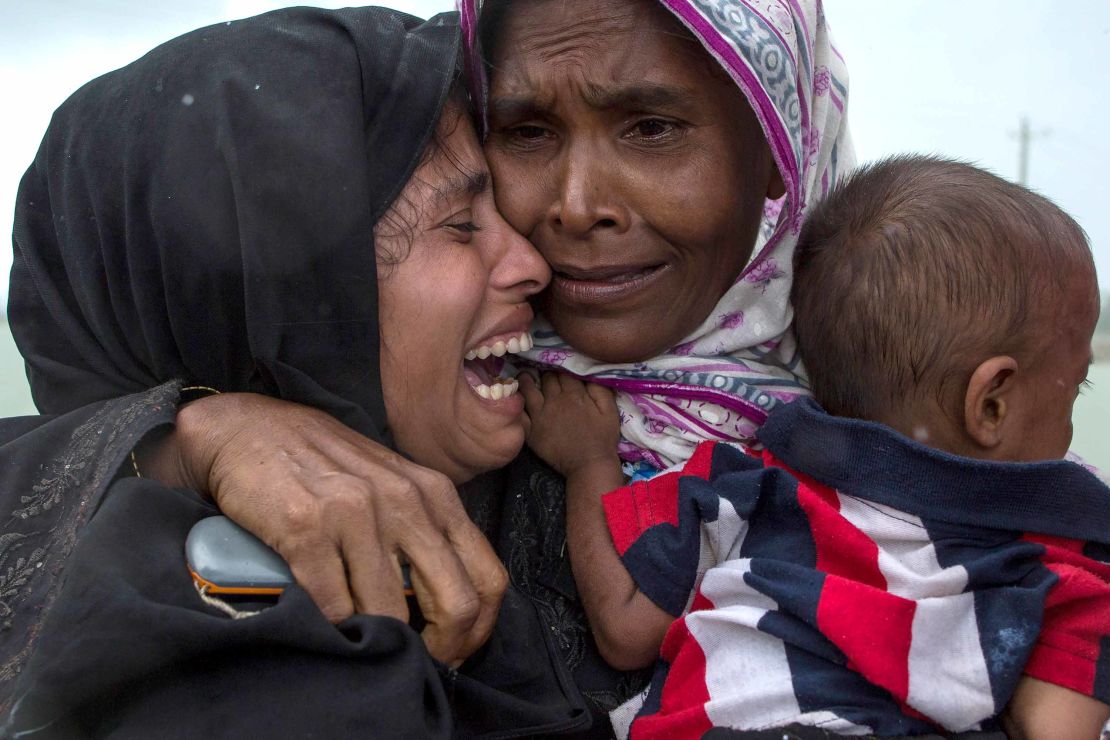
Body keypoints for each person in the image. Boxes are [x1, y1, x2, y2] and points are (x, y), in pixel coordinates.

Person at [0, 0, 873, 736]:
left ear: (776, 149)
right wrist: (188, 436)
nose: (549, 237)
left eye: (652, 127)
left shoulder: (895, 398)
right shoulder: (200, 603)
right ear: (285, 286)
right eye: (525, 135)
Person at [0, 7, 571, 735]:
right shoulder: (184, 651)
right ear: (283, 289)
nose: (534, 264)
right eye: (460, 226)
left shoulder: (600, 445)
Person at [523, 156, 1110, 738]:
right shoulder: (1058, 563)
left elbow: (626, 630)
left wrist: (588, 463)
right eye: (1076, 385)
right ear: (991, 404)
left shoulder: (743, 485)